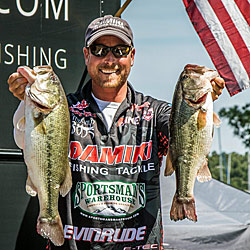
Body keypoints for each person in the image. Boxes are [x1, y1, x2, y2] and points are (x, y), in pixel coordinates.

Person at [8, 15, 225, 250]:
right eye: (99, 49)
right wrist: (26, 102)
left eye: (120, 50)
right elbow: (25, 142)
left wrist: (201, 105)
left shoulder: (155, 111)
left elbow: (187, 142)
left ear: (132, 57)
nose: (109, 59)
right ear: (86, 55)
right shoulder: (63, 109)